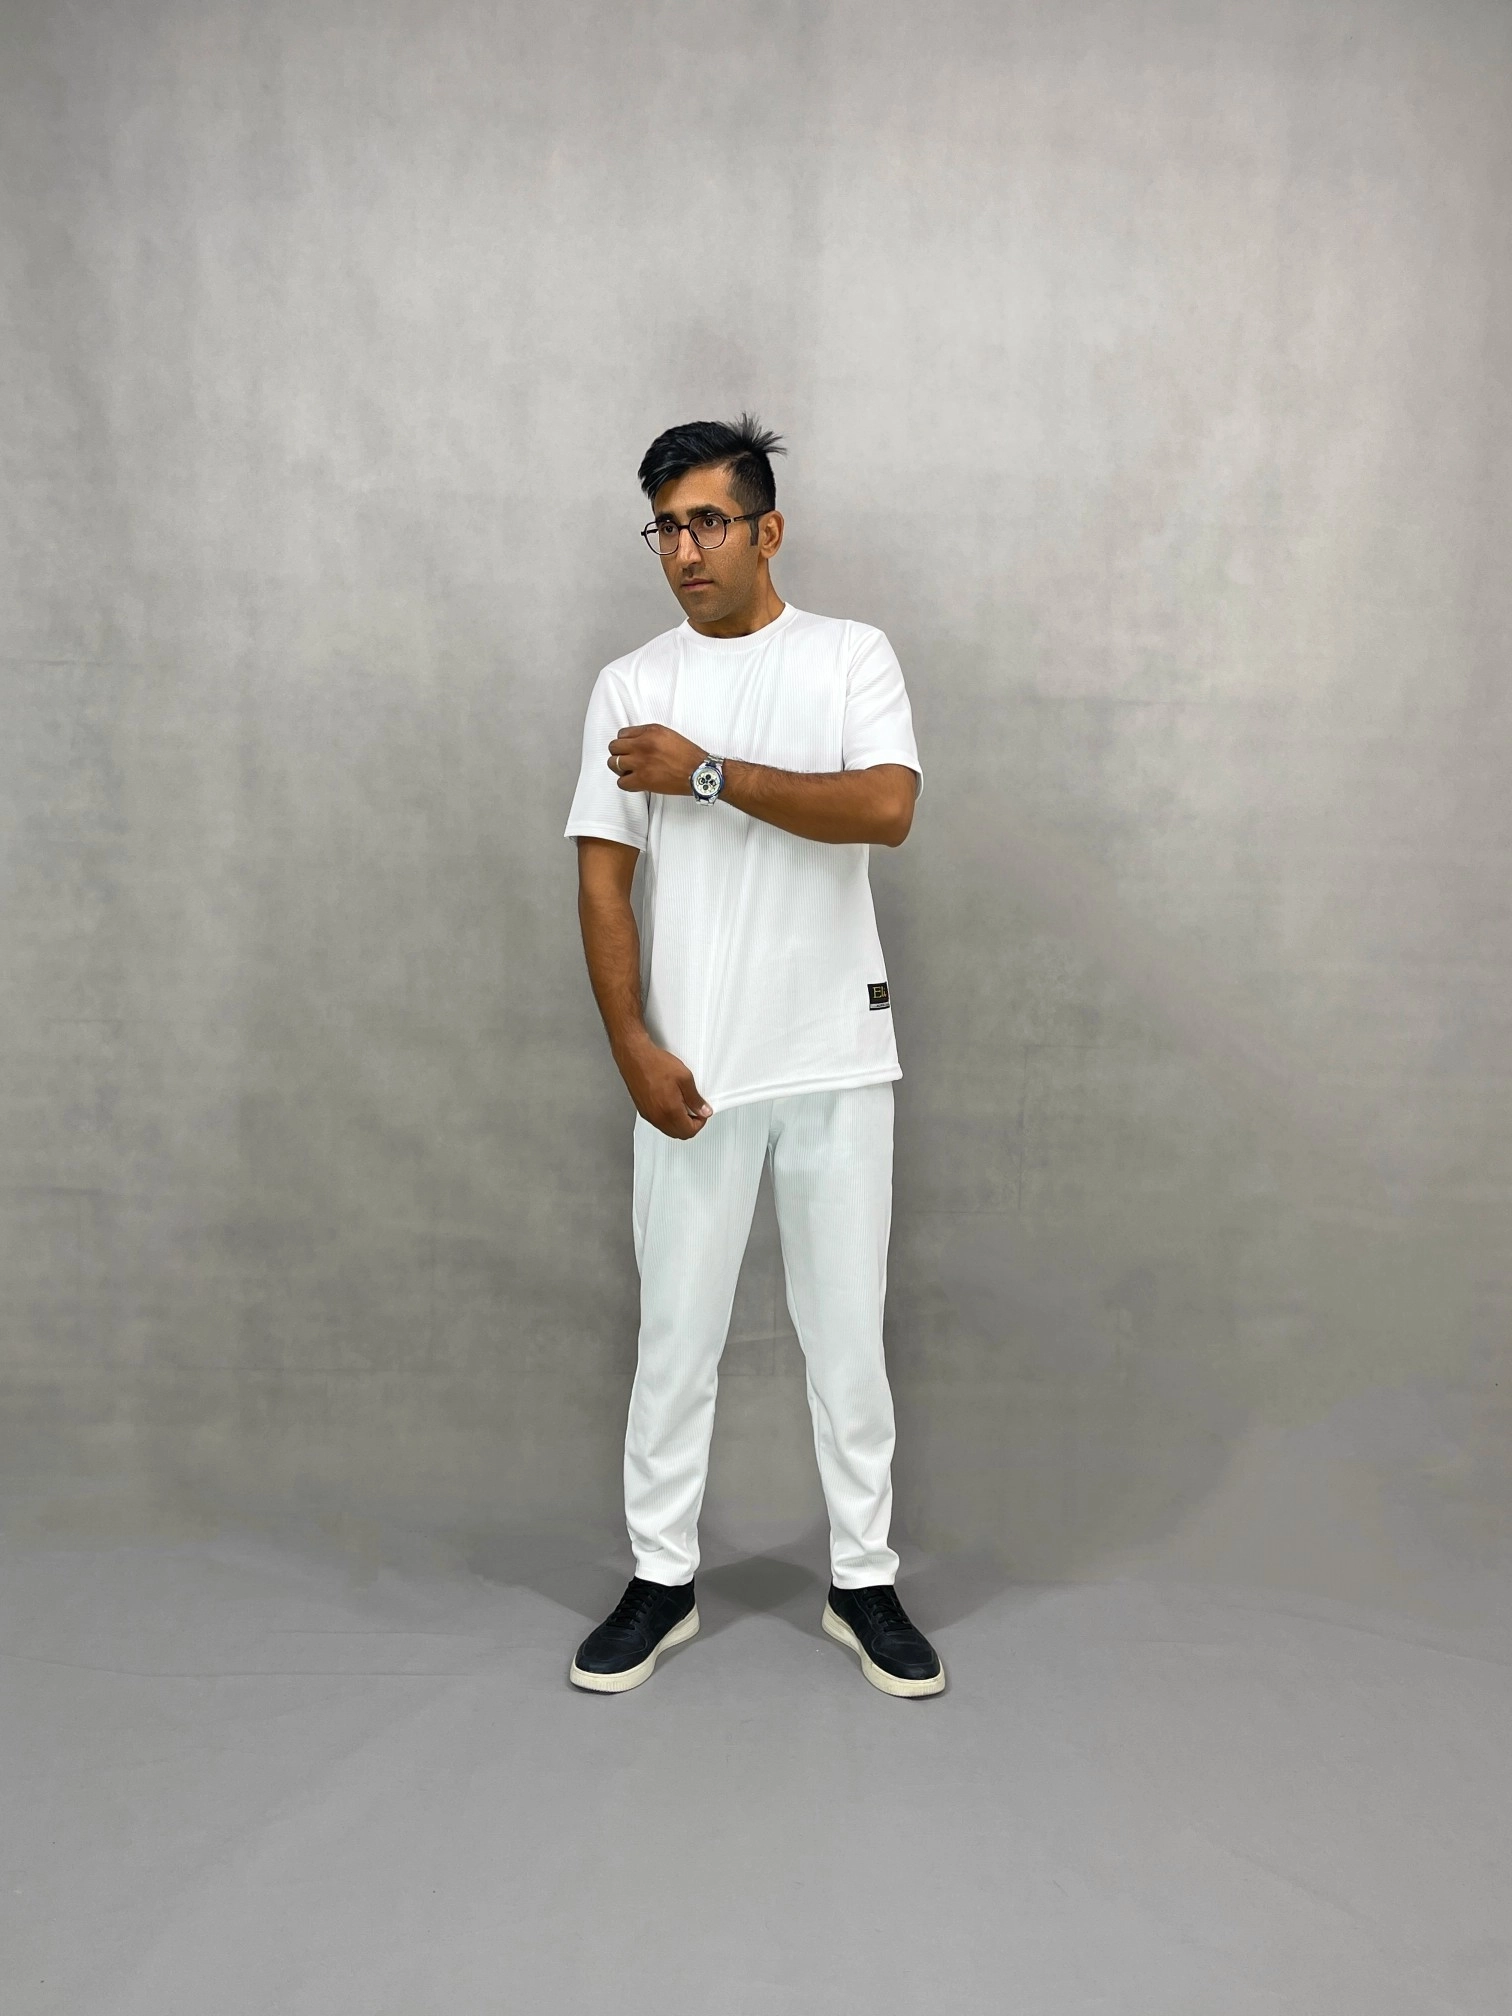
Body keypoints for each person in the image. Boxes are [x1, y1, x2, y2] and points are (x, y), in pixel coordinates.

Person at [561, 413, 944, 1700]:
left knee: (848, 1341)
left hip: (836, 1052)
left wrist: (710, 774)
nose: (685, 550)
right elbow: (603, 881)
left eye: (709, 522)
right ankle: (660, 1578)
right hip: (697, 1070)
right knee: (675, 1336)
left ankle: (864, 1580)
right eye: (666, 528)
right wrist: (632, 1042)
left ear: (767, 530)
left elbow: (884, 808)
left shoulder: (849, 656)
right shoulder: (630, 685)